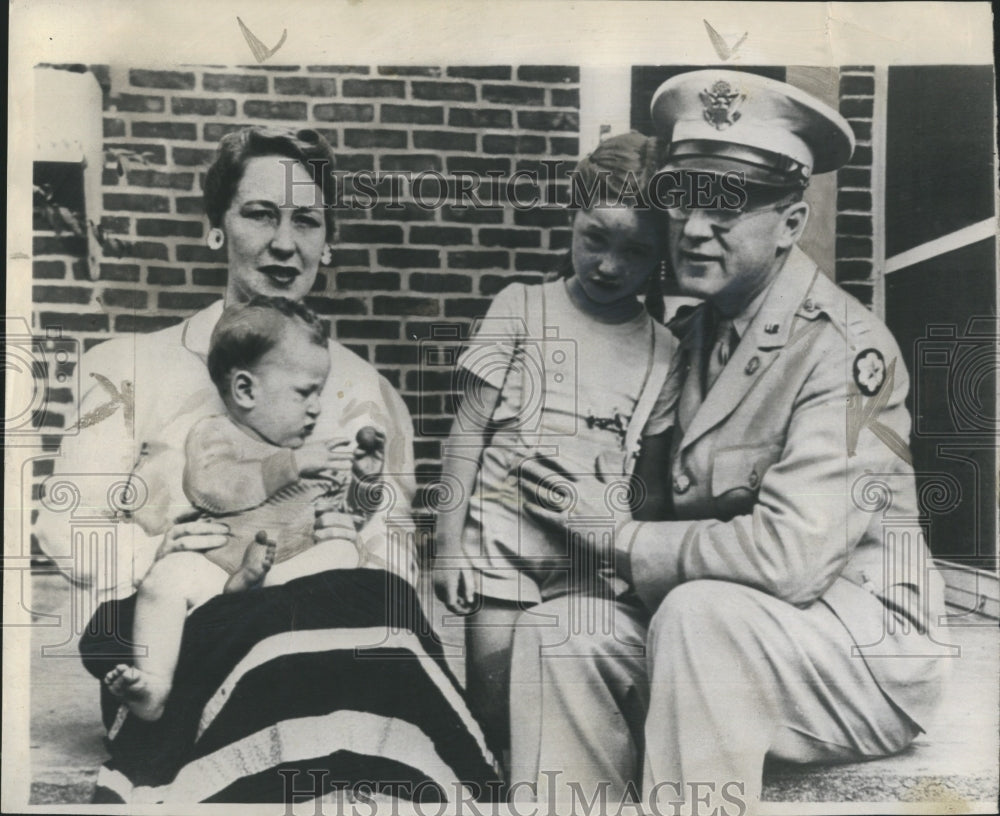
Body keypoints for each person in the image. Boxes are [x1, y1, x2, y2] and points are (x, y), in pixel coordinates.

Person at [510, 70, 949, 814]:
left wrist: (618, 537)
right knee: (559, 629)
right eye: (682, 199)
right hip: (729, 631)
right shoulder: (688, 333)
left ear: (791, 222)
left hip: (858, 656)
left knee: (698, 616)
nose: (694, 227)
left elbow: (789, 560)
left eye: (730, 206)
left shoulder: (841, 351)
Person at [34, 126, 497, 803]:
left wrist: (346, 525)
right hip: (183, 638)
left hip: (331, 633)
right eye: (260, 213)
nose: (285, 243)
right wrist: (160, 556)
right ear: (216, 227)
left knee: (375, 615)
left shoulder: (367, 391)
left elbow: (389, 548)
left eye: (307, 221)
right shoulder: (128, 367)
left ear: (328, 242)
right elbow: (65, 528)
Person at [432, 132, 678, 766]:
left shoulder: (664, 350)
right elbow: (467, 431)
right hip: (499, 550)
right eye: (595, 238)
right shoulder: (520, 307)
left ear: (661, 256)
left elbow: (649, 484)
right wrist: (447, 545)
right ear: (573, 215)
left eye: (635, 251)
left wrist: (628, 552)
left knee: (562, 714)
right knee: (493, 710)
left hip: (589, 565)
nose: (609, 265)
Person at [103, 296, 387, 721]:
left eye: (319, 393)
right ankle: (154, 687)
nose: (316, 407)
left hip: (288, 576)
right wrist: (291, 465)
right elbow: (215, 490)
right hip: (218, 570)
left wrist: (365, 480)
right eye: (304, 392)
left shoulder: (309, 454)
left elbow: (343, 515)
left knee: (345, 553)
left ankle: (260, 610)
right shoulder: (215, 435)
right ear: (245, 389)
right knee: (164, 579)